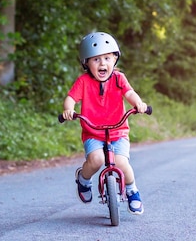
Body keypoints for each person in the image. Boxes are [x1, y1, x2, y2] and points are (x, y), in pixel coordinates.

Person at [62, 32, 148, 215]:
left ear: (115, 59)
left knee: (121, 163)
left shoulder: (119, 78)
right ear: (86, 63)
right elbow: (71, 98)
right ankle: (84, 180)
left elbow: (130, 93)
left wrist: (138, 103)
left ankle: (132, 190)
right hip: (93, 133)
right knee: (96, 160)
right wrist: (69, 109)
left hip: (118, 132)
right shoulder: (83, 82)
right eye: (96, 60)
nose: (102, 64)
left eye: (107, 58)